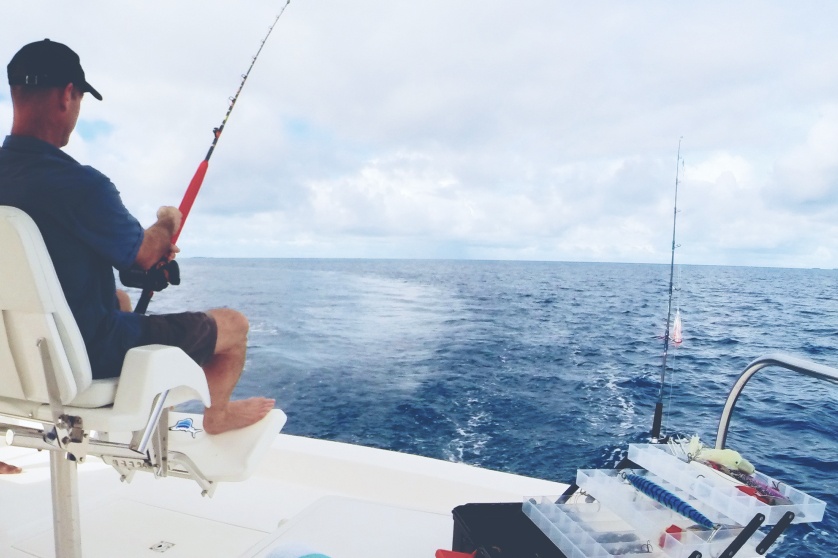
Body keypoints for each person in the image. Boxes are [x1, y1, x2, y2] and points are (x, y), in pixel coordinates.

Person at [0, 39, 274, 435]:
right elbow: (146, 255)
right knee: (234, 326)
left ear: (15, 94)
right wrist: (166, 222)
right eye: (79, 100)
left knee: (121, 299)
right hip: (81, 357)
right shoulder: (81, 186)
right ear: (67, 95)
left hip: (11, 361)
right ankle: (218, 416)